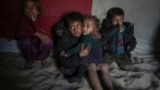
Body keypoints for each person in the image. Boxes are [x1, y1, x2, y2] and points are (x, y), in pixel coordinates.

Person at [61, 15, 112, 90]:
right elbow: (101, 42)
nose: (84, 28)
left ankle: (96, 87)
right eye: (83, 25)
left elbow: (78, 47)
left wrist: (67, 53)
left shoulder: (88, 38)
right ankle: (110, 87)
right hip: (99, 59)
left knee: (90, 66)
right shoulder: (94, 35)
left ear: (94, 29)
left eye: (87, 26)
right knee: (104, 66)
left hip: (92, 59)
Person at [55, 12, 90, 83]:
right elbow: (65, 62)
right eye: (72, 27)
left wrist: (99, 36)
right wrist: (80, 55)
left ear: (82, 25)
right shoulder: (64, 39)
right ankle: (77, 76)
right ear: (68, 29)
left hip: (78, 63)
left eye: (78, 26)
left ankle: (79, 75)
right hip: (68, 67)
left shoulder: (85, 33)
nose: (76, 30)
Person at [17, 0, 53, 69]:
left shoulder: (42, 20)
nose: (30, 9)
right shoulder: (23, 20)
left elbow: (47, 34)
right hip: (30, 48)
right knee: (24, 41)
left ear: (38, 11)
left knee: (49, 41)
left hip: (40, 48)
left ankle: (43, 58)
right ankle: (29, 60)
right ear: (24, 11)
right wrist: (36, 34)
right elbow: (19, 34)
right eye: (27, 7)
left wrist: (35, 22)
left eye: (32, 7)